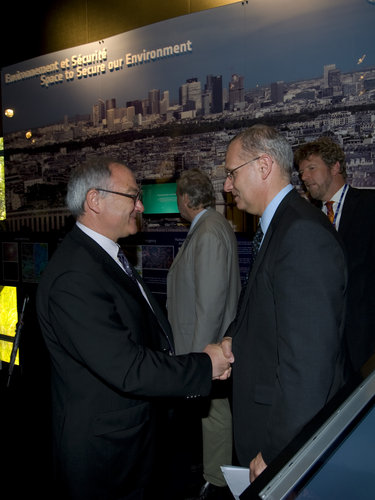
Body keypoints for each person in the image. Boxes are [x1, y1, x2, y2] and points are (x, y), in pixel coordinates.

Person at [36, 157, 233, 500]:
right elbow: (126, 366)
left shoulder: (101, 258)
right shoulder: (75, 277)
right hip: (107, 458)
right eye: (132, 196)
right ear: (95, 200)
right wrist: (203, 364)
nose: (140, 206)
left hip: (132, 443)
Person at [222, 124, 347, 482]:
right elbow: (266, 307)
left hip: (278, 436)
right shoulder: (281, 225)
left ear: (263, 166)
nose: (227, 186)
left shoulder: (301, 234)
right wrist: (235, 338)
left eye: (232, 173)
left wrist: (278, 451)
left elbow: (308, 367)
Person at [167, 168, 241, 499]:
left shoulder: (208, 231)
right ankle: (216, 475)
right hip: (208, 345)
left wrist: (200, 362)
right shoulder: (212, 227)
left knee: (215, 414)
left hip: (206, 348)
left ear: (185, 198)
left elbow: (210, 304)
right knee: (214, 414)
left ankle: (216, 480)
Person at [295, 137, 375, 377]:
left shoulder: (370, 206)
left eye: (311, 168)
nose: (305, 178)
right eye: (301, 173)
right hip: (323, 346)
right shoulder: (307, 219)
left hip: (364, 344)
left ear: (335, 167)